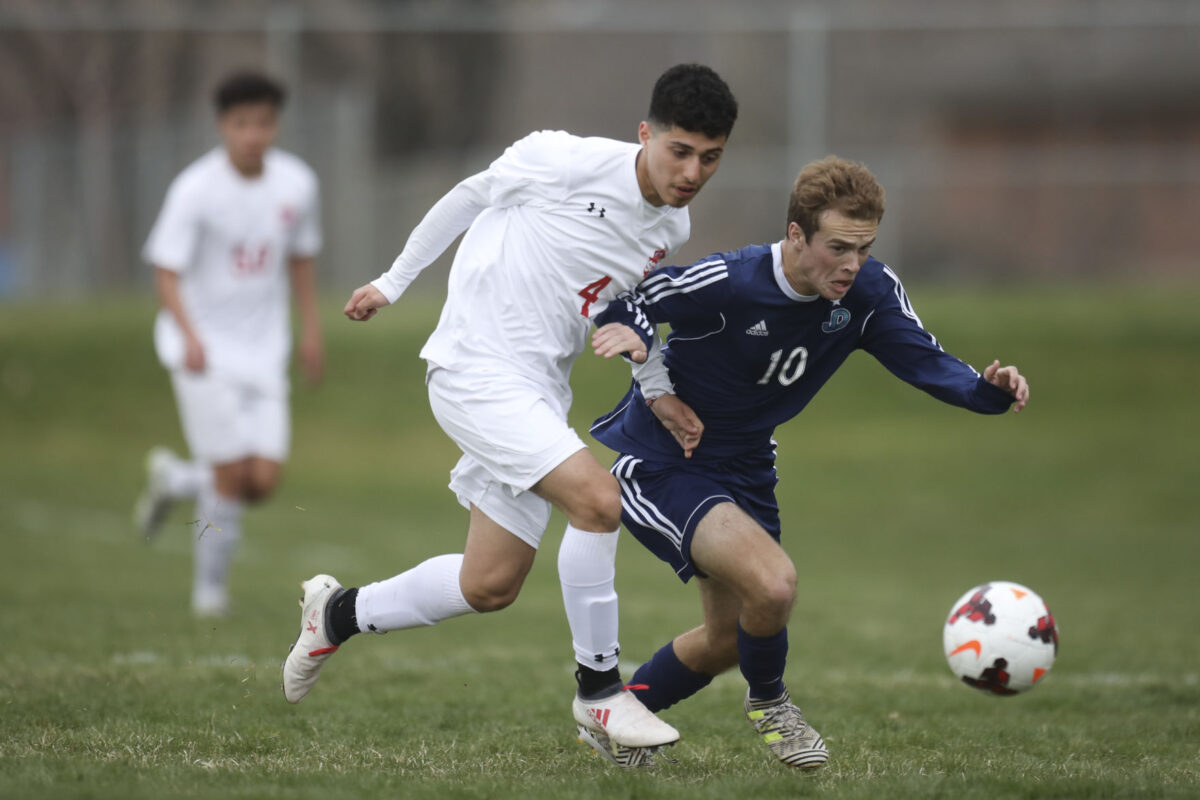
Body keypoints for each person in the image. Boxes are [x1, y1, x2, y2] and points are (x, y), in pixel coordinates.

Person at [281, 64, 739, 765]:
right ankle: (599, 692)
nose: (692, 171)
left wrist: (654, 385)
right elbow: (469, 197)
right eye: (680, 150)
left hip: (537, 391)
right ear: (646, 134)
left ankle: (335, 613)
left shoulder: (671, 226)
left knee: (489, 583)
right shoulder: (564, 158)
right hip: (474, 367)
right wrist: (392, 282)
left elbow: (623, 304)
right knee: (598, 502)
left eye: (710, 157)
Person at [586, 155, 1030, 769]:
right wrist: (643, 357)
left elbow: (924, 359)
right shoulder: (732, 282)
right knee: (774, 583)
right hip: (665, 463)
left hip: (747, 468)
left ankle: (611, 719)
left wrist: (988, 393)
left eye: (864, 248)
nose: (851, 264)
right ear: (796, 235)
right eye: (838, 246)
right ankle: (771, 706)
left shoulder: (868, 292)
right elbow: (630, 300)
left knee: (728, 638)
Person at [135, 71, 324, 617]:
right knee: (227, 476)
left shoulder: (296, 182)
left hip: (265, 349)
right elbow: (166, 270)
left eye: (263, 123)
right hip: (204, 349)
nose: (253, 135)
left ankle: (174, 478)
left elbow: (302, 258)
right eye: (242, 124)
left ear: (275, 124)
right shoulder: (195, 189)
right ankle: (209, 592)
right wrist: (190, 335)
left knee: (260, 481)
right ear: (223, 126)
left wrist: (310, 330)